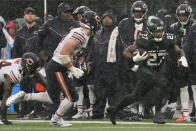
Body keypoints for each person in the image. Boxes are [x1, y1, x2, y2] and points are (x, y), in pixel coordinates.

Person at [7, 11, 100, 127]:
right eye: (96, 21)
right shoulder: (80, 35)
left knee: (53, 98)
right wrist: (72, 69)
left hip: (56, 65)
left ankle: (25, 96)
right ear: (91, 23)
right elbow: (63, 54)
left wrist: (75, 63)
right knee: (72, 97)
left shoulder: (81, 33)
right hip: (58, 66)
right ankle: (56, 119)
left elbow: (68, 53)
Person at [107, 16, 188, 125]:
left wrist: (182, 58)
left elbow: (179, 51)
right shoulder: (144, 39)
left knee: (136, 96)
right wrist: (134, 58)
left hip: (157, 69)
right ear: (150, 31)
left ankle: (114, 110)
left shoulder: (167, 39)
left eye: (161, 31)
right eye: (156, 32)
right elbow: (126, 51)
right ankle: (158, 114)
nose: (159, 34)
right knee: (161, 82)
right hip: (145, 69)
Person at [87, 11, 117, 119]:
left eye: (109, 18)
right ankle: (98, 113)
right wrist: (89, 61)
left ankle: (114, 112)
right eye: (105, 18)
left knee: (112, 92)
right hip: (98, 67)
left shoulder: (117, 33)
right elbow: (91, 49)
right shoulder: (97, 34)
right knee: (99, 92)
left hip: (112, 67)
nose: (107, 19)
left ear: (113, 20)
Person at [168, 3, 195, 122]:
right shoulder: (174, 27)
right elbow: (171, 45)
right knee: (182, 88)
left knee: (194, 87)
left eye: (185, 15)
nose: (183, 17)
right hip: (179, 61)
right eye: (181, 15)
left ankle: (190, 112)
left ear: (189, 15)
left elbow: (190, 45)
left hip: (193, 61)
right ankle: (185, 114)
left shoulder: (194, 26)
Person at [0, 52, 44, 125]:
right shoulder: (15, 73)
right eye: (32, 69)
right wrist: (4, 118)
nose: (33, 72)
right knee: (5, 97)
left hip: (2, 75)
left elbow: (38, 76)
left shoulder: (22, 64)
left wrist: (49, 88)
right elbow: (6, 97)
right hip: (3, 76)